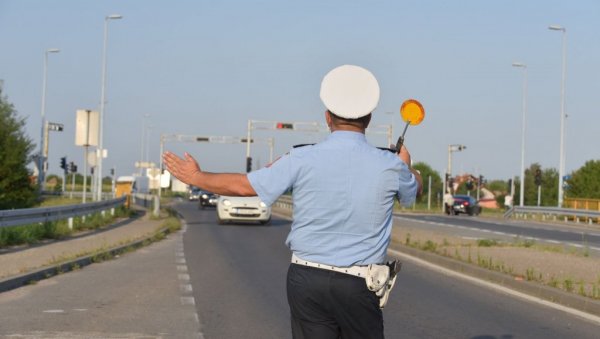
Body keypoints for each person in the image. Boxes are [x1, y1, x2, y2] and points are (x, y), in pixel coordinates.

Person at [163, 64, 423, 339]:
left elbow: (244, 185)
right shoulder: (390, 166)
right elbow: (412, 191)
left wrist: (196, 176)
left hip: (306, 279)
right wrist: (407, 165)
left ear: (327, 117)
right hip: (359, 284)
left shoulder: (301, 158)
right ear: (368, 119)